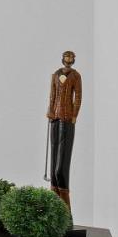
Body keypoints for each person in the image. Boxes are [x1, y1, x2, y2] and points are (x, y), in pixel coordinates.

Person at [45, 50, 82, 212]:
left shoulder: (75, 76)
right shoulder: (55, 75)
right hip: (55, 118)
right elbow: (52, 95)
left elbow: (78, 96)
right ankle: (55, 209)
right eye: (66, 58)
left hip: (67, 119)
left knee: (61, 168)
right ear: (62, 59)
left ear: (73, 61)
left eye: (71, 59)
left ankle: (65, 209)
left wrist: (74, 115)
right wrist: (50, 110)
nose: (68, 61)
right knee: (54, 169)